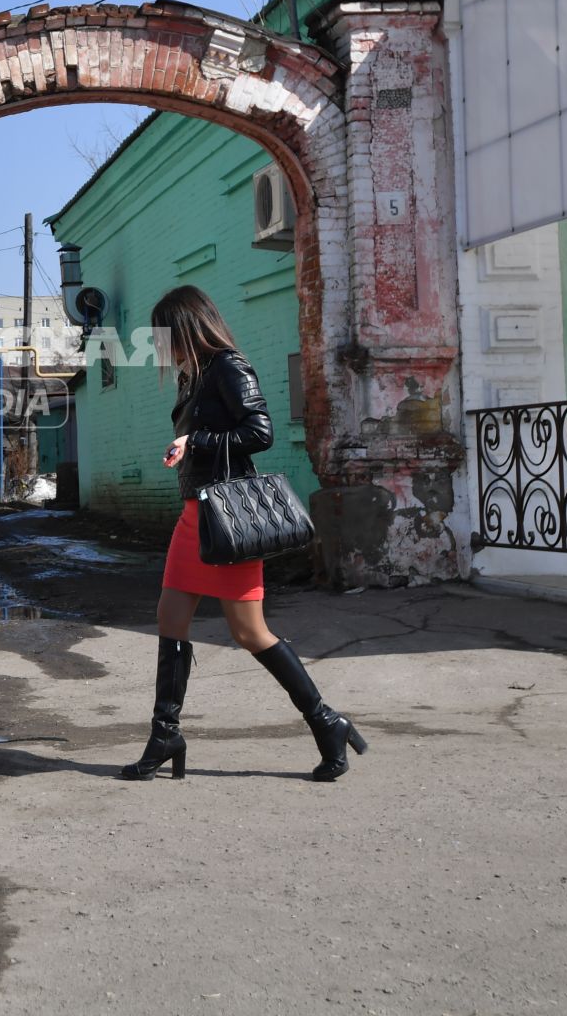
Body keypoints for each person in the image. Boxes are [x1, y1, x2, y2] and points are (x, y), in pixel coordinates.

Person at [120, 285, 368, 783]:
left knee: (249, 632)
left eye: (163, 334)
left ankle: (327, 723)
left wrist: (197, 440)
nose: (160, 345)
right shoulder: (192, 377)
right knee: (169, 617)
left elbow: (261, 432)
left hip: (229, 518)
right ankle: (165, 733)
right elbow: (207, 440)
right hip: (195, 514)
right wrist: (186, 450)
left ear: (187, 328)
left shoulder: (229, 366)